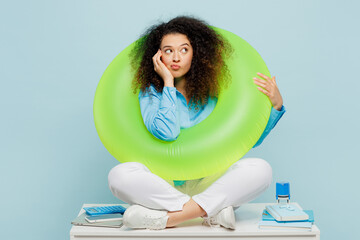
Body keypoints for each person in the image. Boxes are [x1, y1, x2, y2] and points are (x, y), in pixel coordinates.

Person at [108, 16, 286, 230]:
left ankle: (170, 219)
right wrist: (168, 83)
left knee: (260, 169)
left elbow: (247, 140)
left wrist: (275, 107)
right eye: (168, 51)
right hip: (165, 184)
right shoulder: (151, 94)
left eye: (184, 50)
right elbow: (168, 133)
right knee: (119, 176)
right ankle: (211, 213)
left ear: (196, 53)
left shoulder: (212, 95)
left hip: (210, 182)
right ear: (157, 56)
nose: (176, 58)